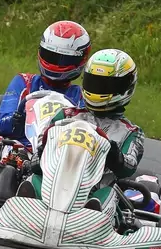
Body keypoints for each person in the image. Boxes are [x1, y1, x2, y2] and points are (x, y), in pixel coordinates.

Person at [20, 48, 145, 212]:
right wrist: (42, 152)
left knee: (109, 193)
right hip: (54, 183)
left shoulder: (130, 131)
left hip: (94, 191)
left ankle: (92, 215)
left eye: (106, 85)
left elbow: (129, 167)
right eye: (94, 83)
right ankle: (21, 207)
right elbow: (39, 154)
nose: (99, 89)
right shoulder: (65, 115)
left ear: (125, 88)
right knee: (33, 179)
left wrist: (115, 156)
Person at [0, 20, 91, 146]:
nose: (57, 65)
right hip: (20, 149)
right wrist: (18, 119)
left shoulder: (80, 96)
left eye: (65, 60)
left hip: (59, 154)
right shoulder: (24, 82)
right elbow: (4, 125)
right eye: (51, 56)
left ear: (81, 59)